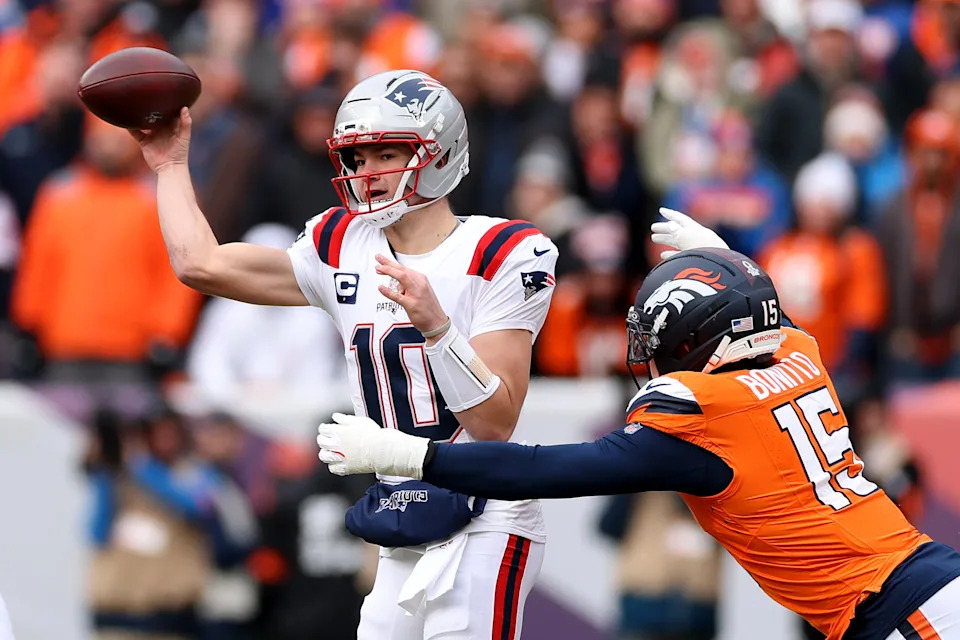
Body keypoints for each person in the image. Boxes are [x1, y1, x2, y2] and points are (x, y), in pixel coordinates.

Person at [317, 209, 960, 640]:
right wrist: (722, 258)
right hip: (917, 581)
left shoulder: (703, 411)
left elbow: (547, 469)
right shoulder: (799, 354)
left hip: (896, 606)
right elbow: (764, 308)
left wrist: (411, 456)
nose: (652, 359)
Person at [132, 69, 559, 640]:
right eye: (357, 158)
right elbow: (200, 264)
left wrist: (436, 327)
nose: (367, 172)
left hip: (485, 513)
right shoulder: (341, 244)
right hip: (403, 510)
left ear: (439, 152)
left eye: (386, 153)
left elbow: (493, 423)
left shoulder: (503, 251)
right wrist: (170, 166)